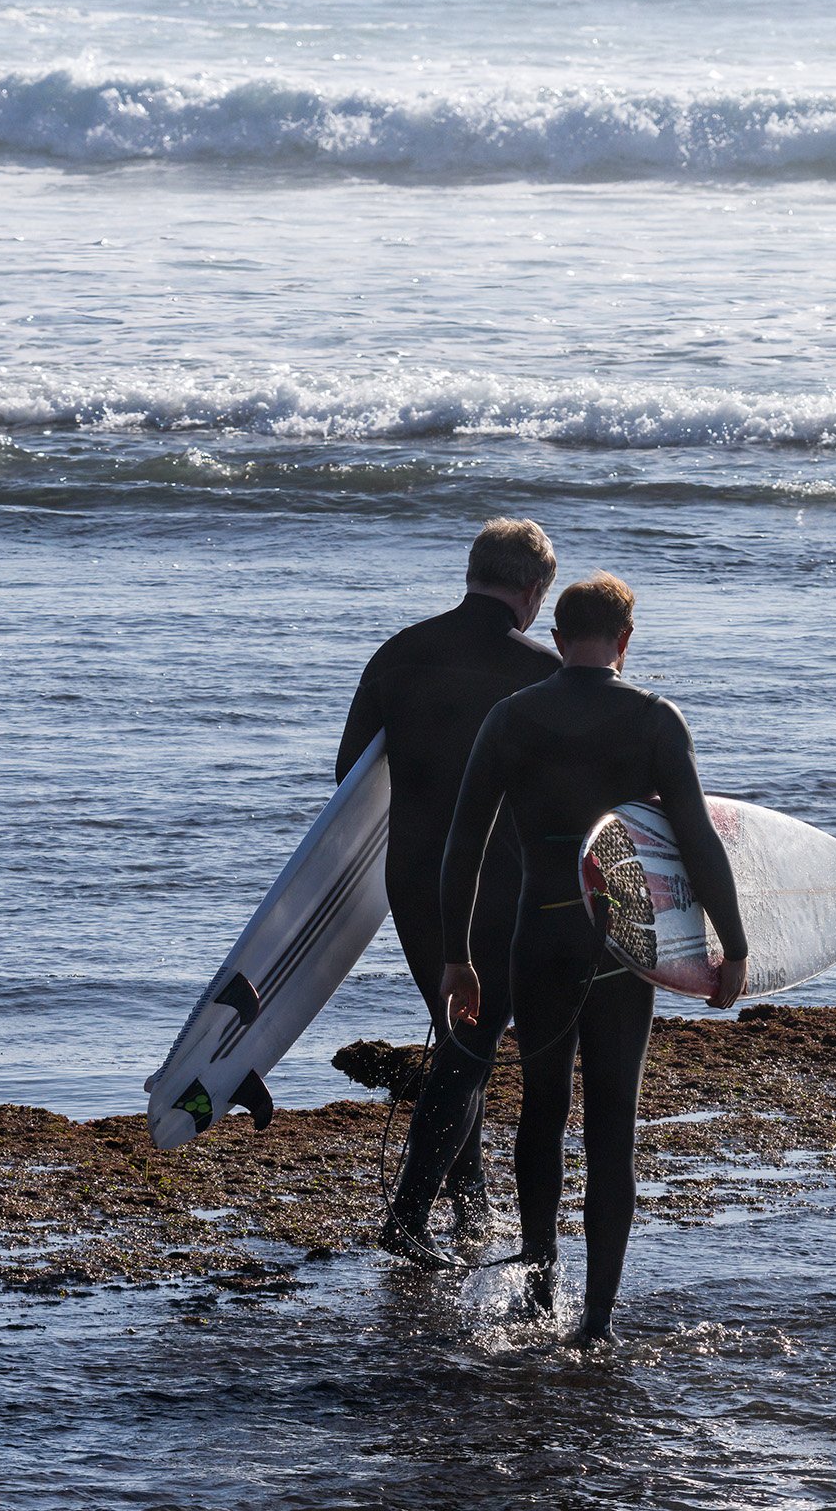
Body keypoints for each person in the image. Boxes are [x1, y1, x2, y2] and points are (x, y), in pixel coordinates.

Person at [440, 571, 748, 1346]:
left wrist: (456, 958)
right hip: (622, 945)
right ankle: (597, 1323)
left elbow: (463, 847)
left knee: (542, 1112)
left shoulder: (510, 719)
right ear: (625, 639)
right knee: (614, 1125)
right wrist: (732, 944)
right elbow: (699, 840)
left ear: (554, 640)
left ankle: (540, 1292)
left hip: (537, 936)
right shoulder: (653, 719)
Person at [336, 516, 559, 1263]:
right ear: (532, 590)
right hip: (495, 880)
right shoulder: (539, 670)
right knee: (471, 1045)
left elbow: (350, 777)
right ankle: (406, 1217)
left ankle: (472, 1203)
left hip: (411, 874)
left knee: (458, 1028)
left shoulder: (397, 654)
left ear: (473, 572)